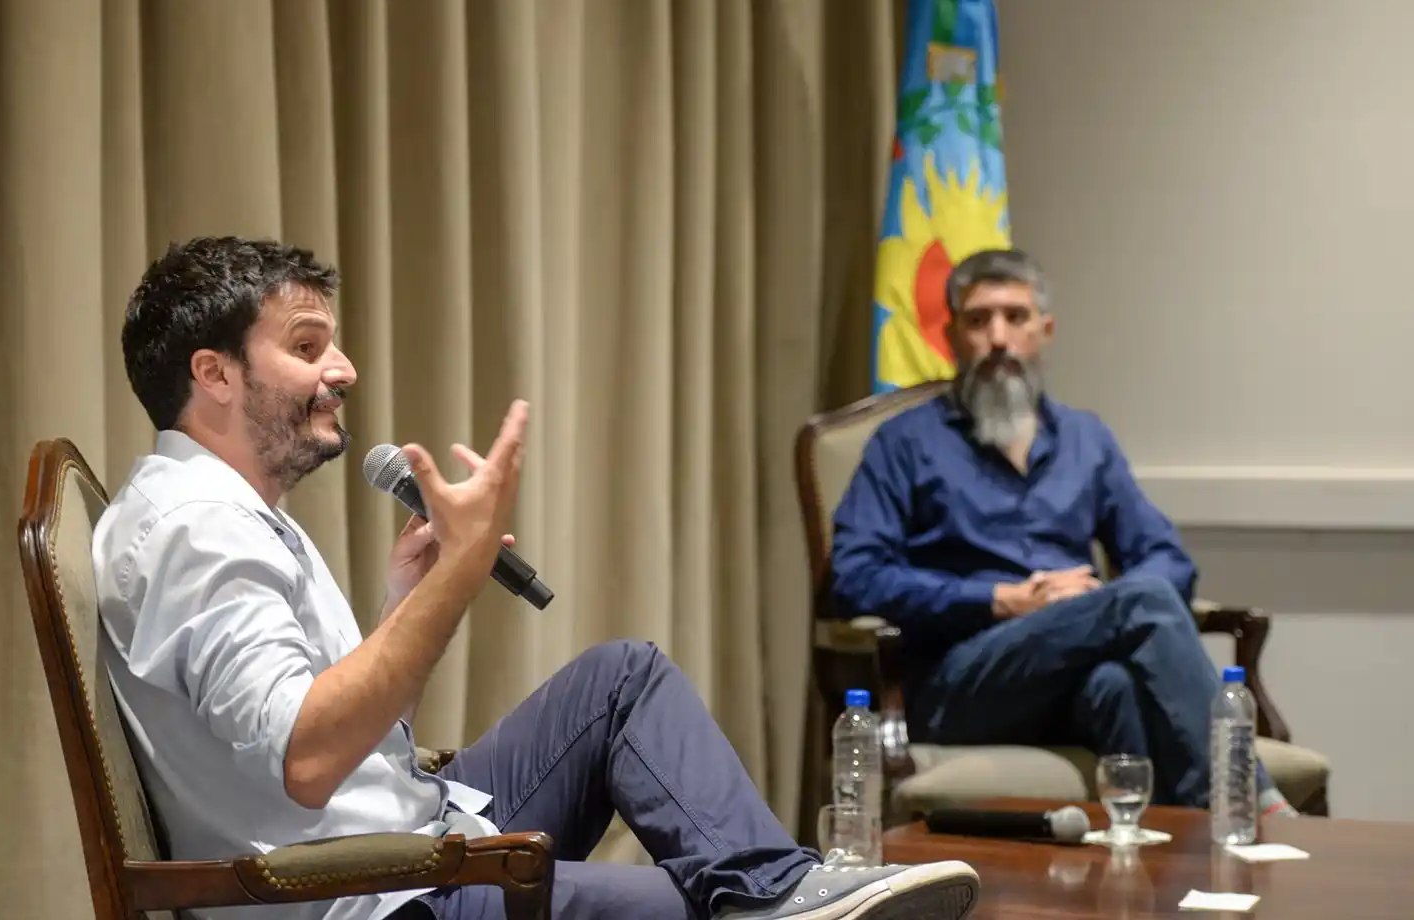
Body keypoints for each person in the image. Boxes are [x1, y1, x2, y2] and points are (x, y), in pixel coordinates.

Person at [93, 236, 980, 920]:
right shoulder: (196, 531)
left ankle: (771, 890)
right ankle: (768, 902)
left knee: (622, 679)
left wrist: (410, 598)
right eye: (307, 344)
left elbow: (333, 740)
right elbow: (309, 759)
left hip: (410, 833)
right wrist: (459, 577)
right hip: (376, 896)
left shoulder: (224, 511)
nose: (343, 369)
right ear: (213, 373)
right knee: (690, 908)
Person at [830, 247, 1297, 816]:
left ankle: (1170, 874)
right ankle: (1254, 811)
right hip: (961, 681)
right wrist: (1000, 600)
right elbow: (855, 576)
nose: (998, 337)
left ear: (1044, 331)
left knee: (1118, 683)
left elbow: (1166, 558)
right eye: (978, 320)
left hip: (1068, 678)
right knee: (1140, 602)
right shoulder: (905, 443)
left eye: (1015, 317)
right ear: (951, 336)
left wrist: (1098, 610)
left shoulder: (1085, 439)